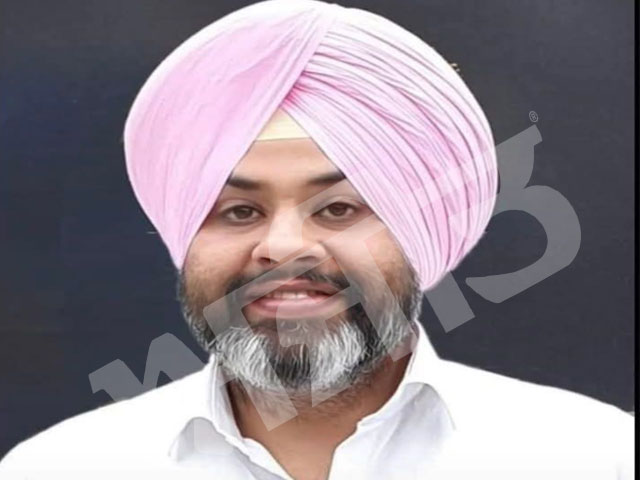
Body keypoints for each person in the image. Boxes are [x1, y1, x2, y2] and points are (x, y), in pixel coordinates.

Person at [1, 1, 633, 479]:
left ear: (419, 231)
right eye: (239, 211)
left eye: (337, 209)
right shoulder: (61, 469)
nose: (282, 248)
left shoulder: (590, 457)